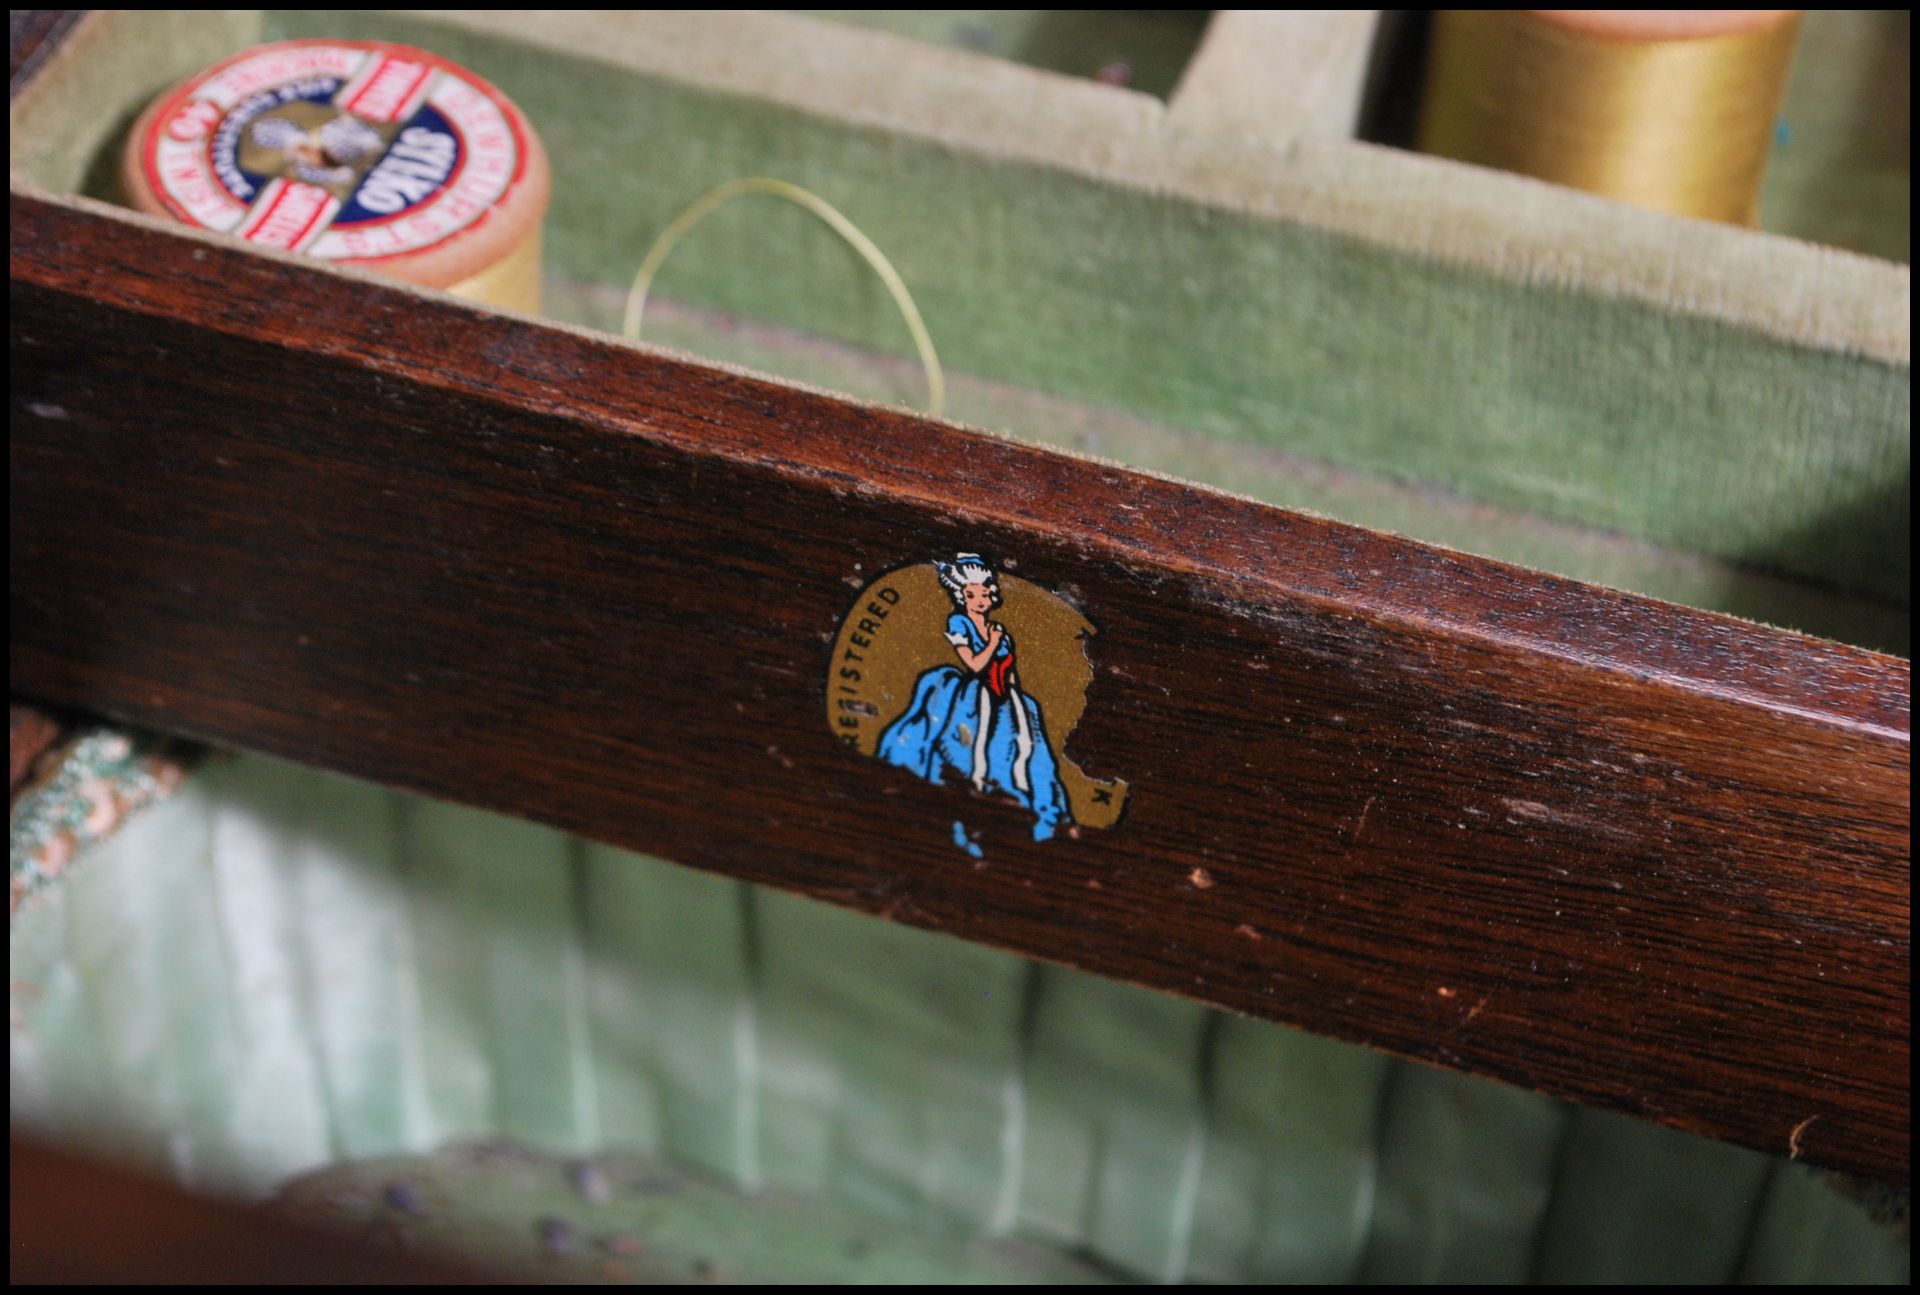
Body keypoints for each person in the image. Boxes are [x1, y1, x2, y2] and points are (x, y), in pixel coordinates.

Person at [876, 554, 1073, 841]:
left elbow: (1010, 668)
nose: (978, 599)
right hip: (974, 697)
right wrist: (992, 643)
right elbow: (976, 665)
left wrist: (1016, 700)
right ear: (961, 596)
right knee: (971, 748)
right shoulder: (960, 623)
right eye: (971, 594)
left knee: (1025, 751)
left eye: (983, 593)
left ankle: (1023, 812)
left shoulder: (998, 630)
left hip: (1006, 696)